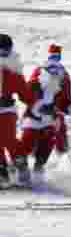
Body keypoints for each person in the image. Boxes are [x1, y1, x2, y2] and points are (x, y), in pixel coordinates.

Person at [17, 44, 71, 182]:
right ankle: (16, 170)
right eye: (52, 57)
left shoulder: (64, 76)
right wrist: (35, 96)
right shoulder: (39, 73)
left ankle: (38, 172)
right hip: (34, 117)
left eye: (56, 58)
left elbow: (66, 100)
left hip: (51, 119)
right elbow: (27, 93)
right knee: (26, 144)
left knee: (46, 145)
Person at [0, 33, 28, 187]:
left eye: (6, 52)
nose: (3, 55)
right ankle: (2, 173)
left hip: (6, 110)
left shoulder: (12, 69)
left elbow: (24, 93)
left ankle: (20, 163)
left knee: (7, 139)